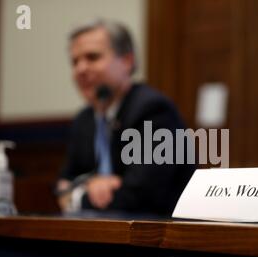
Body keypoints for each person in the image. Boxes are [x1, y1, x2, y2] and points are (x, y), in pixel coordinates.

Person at [56, 19, 195, 215]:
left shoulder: (154, 110)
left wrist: (78, 196)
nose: (80, 69)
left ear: (127, 61)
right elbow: (62, 185)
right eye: (75, 61)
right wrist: (92, 185)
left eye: (92, 57)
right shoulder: (84, 120)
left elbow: (140, 197)